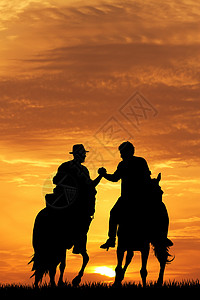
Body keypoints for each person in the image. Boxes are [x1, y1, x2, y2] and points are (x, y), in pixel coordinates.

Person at [99, 141, 151, 250]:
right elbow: (115, 178)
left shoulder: (133, 163)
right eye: (121, 152)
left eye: (122, 152)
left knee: (113, 213)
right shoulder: (135, 162)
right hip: (136, 198)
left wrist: (104, 175)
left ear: (129, 152)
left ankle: (111, 239)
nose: (121, 155)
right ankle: (112, 239)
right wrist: (104, 175)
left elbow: (114, 178)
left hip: (132, 198)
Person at [52, 144, 103, 254]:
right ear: (76, 155)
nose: (84, 156)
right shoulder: (65, 166)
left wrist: (101, 176)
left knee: (86, 218)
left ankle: (79, 242)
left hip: (79, 200)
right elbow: (56, 180)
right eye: (83, 154)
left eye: (84, 154)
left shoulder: (84, 170)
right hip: (66, 198)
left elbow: (91, 186)